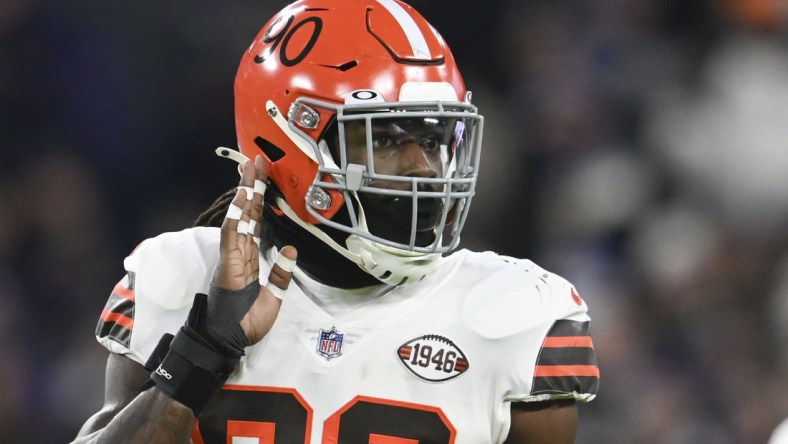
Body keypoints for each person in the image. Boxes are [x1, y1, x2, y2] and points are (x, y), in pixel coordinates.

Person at [72, 0, 599, 442]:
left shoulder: (516, 314)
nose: (425, 166)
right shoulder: (177, 275)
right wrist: (201, 349)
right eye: (388, 139)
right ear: (285, 141)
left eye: (436, 139)